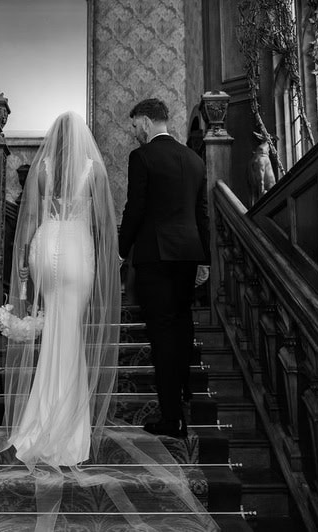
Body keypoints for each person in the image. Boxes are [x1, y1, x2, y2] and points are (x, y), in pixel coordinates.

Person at [0, 111, 217, 532]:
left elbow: (30, 221)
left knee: (54, 327)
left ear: (55, 140)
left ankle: (40, 419)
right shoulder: (97, 168)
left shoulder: (43, 168)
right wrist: (117, 256)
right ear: (84, 140)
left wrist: (22, 279)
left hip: (48, 246)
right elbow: (104, 221)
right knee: (75, 329)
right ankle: (71, 425)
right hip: (78, 249)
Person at [119, 98, 210, 439]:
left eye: (133, 126)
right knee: (183, 323)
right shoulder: (193, 159)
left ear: (144, 121)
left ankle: (171, 417)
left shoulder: (141, 157)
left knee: (160, 333)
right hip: (188, 254)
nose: (134, 133)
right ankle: (184, 390)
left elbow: (136, 209)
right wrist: (206, 259)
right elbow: (202, 213)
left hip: (156, 255)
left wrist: (119, 251)